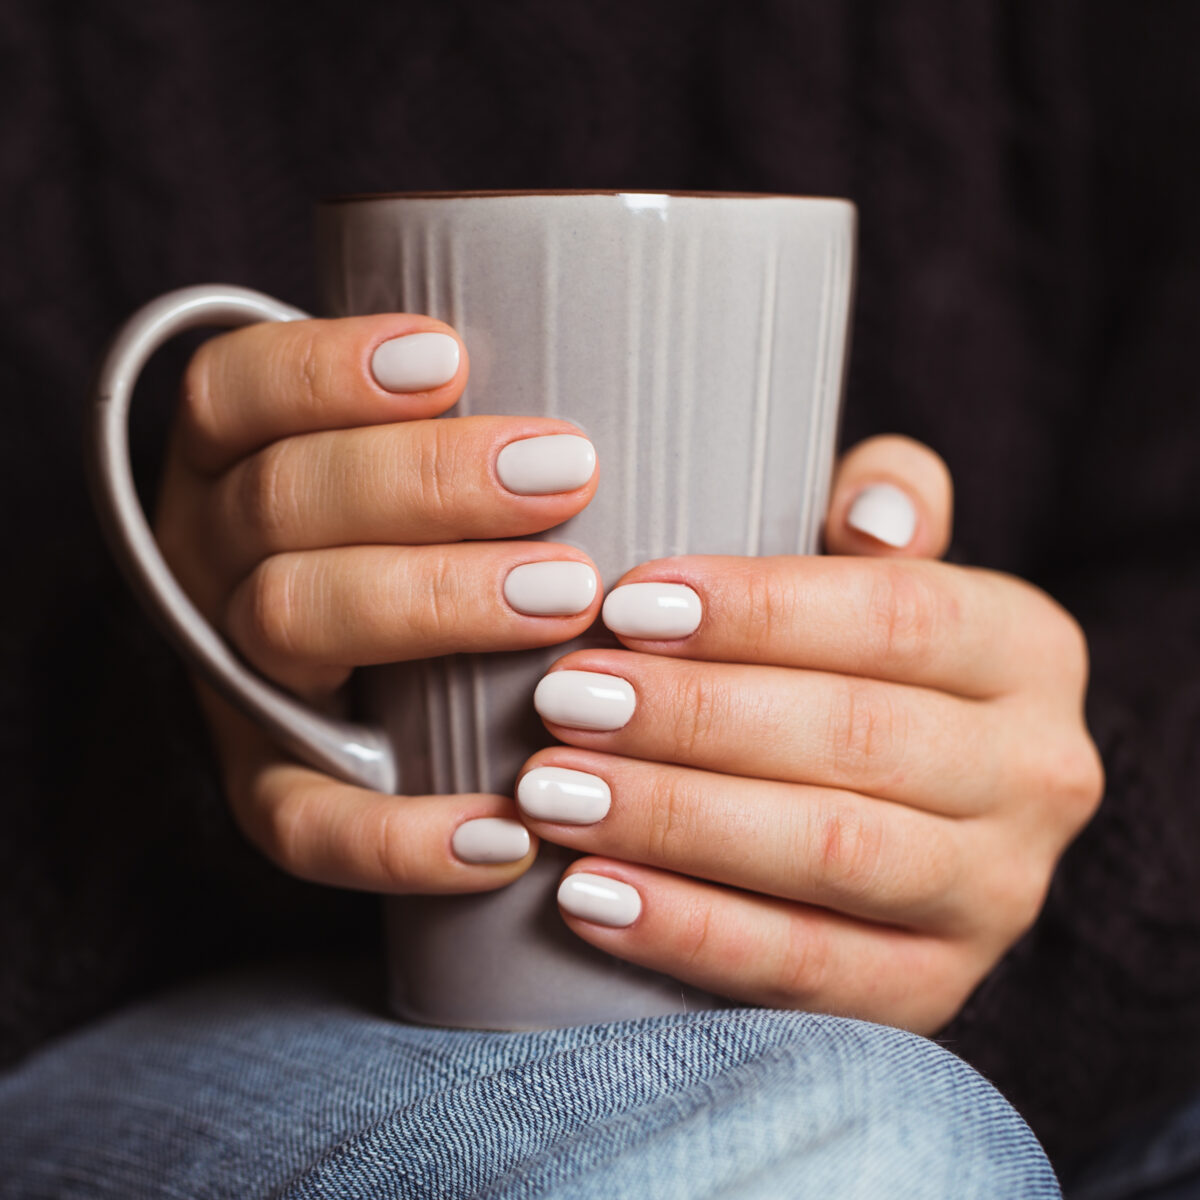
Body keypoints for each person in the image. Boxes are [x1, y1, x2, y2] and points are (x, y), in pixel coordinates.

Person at [2, 3, 1198, 1197]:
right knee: (859, 1146)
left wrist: (1024, 846)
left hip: (1071, 1040)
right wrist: (203, 675)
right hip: (126, 1018)